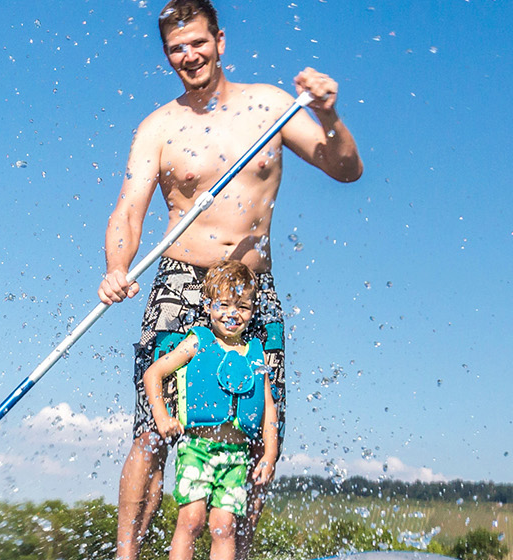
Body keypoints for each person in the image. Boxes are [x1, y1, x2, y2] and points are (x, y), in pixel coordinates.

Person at [102, 0, 362, 558]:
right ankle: (126, 554)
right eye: (176, 48)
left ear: (220, 40)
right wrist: (117, 268)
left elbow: (345, 170)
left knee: (252, 433)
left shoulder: (271, 105)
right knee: (155, 428)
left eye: (197, 43)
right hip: (180, 281)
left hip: (250, 289)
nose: (188, 55)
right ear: (167, 54)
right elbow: (128, 210)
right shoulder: (159, 127)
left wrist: (331, 116)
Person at [142, 261, 278, 560]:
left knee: (224, 527)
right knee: (191, 521)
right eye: (224, 304)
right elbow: (153, 374)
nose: (232, 313)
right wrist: (162, 418)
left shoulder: (255, 353)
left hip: (236, 456)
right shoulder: (197, 341)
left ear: (253, 310)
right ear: (208, 305)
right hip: (197, 448)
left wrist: (269, 455)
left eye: (242, 306)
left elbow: (269, 408)